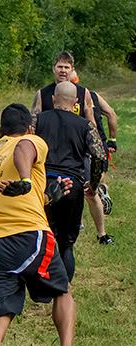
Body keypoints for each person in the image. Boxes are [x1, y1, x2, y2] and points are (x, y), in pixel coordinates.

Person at [0, 104, 101, 346]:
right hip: (30, 237)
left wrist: (48, 193)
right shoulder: (30, 140)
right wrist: (29, 179)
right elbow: (25, 150)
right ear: (29, 127)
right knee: (64, 290)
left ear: (0, 128)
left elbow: (24, 196)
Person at [35, 81, 105, 283]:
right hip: (71, 185)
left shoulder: (38, 120)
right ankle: (64, 288)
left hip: (43, 184)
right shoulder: (85, 125)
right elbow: (99, 156)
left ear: (53, 99)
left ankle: (40, 283)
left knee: (42, 236)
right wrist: (92, 184)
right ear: (75, 103)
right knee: (66, 243)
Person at [70, 69, 118, 245]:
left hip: (91, 146)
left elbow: (111, 114)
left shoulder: (79, 98)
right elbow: (111, 113)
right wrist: (112, 140)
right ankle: (82, 220)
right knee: (87, 184)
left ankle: (99, 194)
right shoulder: (94, 95)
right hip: (100, 145)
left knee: (87, 186)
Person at [32, 51, 96, 127]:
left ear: (72, 70)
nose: (63, 70)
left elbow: (91, 124)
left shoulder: (84, 93)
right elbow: (33, 123)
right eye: (60, 67)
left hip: (75, 136)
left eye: (66, 67)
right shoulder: (42, 94)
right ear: (53, 69)